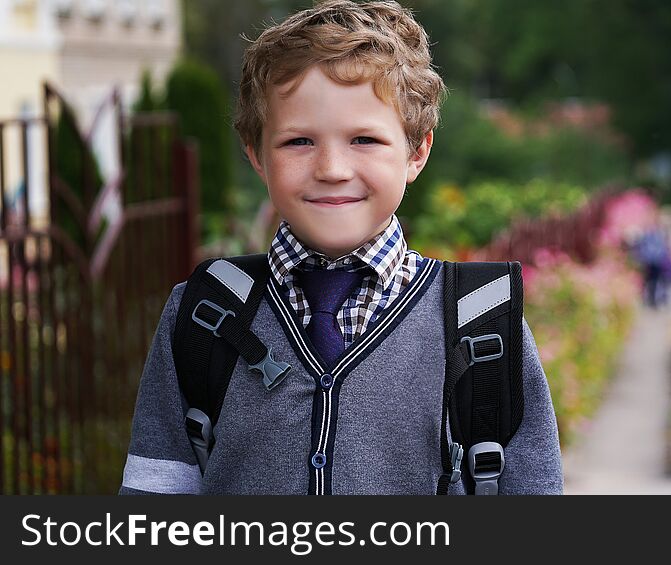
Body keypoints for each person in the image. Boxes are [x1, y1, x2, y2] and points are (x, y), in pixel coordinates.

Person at [119, 0, 563, 495]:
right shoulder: (204, 314)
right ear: (256, 154)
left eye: (365, 140)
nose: (332, 168)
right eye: (298, 142)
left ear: (417, 151)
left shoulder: (483, 323)